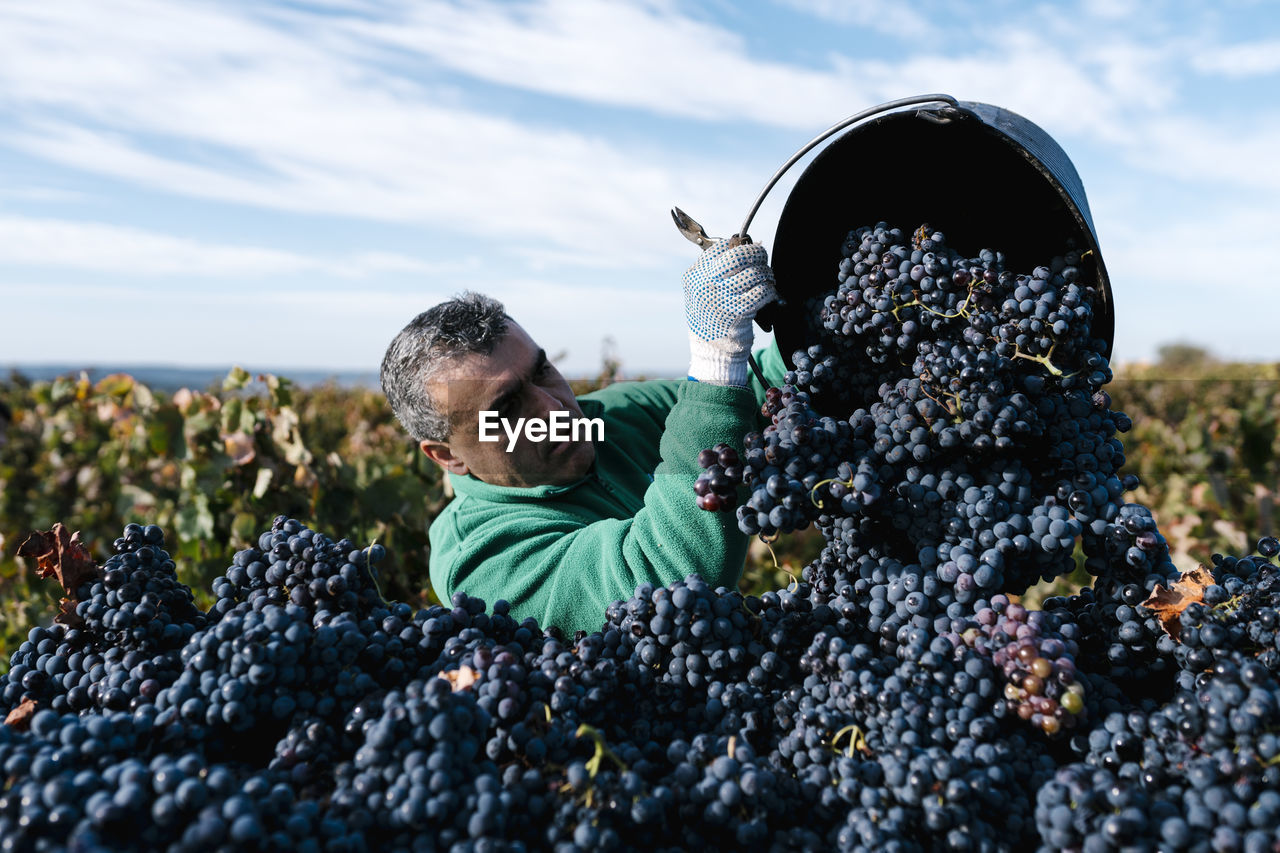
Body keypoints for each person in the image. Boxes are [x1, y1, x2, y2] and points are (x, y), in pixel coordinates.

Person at [380, 239, 787, 636]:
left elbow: (763, 394)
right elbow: (667, 592)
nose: (554, 409)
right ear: (447, 456)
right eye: (506, 408)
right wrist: (715, 359)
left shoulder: (614, 414)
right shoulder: (482, 563)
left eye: (542, 372)